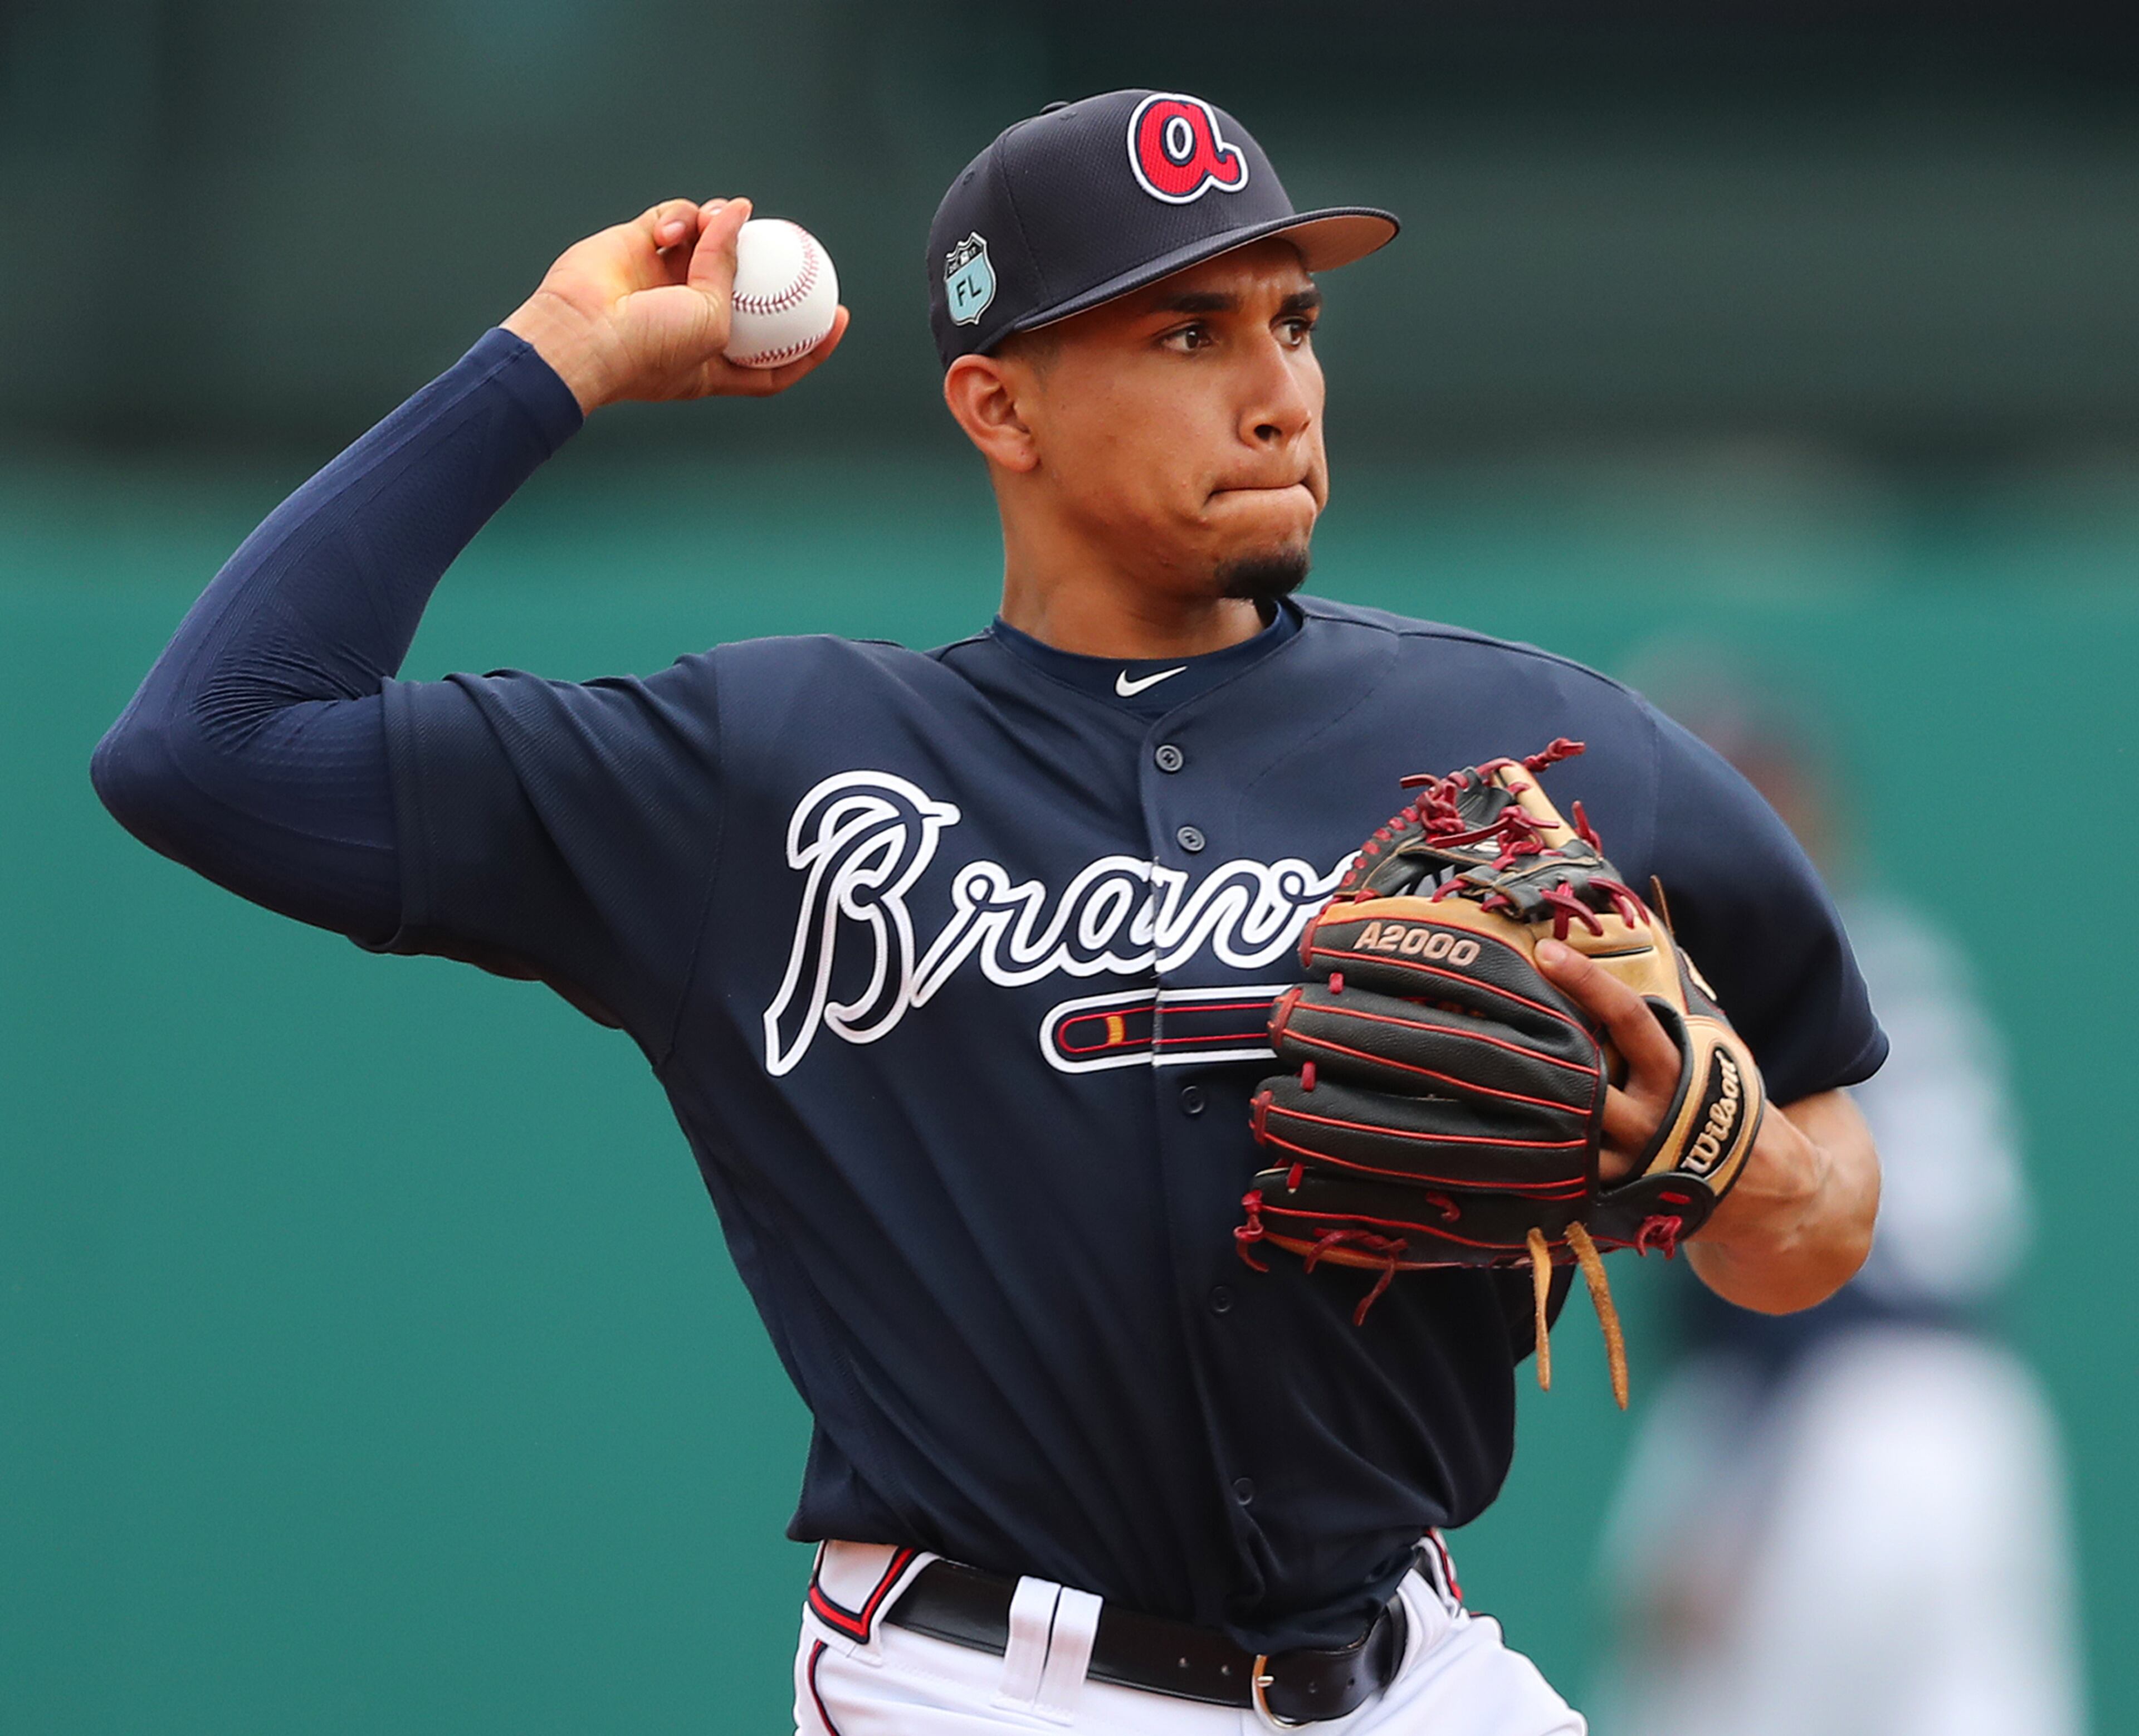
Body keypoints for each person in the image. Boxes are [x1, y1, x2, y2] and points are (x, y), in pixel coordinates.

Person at [91, 90, 1883, 1733]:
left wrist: (1754, 1169)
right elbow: (209, 743)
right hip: (984, 1690)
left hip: (1413, 1672)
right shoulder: (769, 769)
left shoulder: (1518, 743)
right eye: (1188, 333)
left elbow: (1817, 1209)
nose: (1277, 389)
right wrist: (553, 357)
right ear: (995, 402)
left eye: (1295, 323)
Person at [1589, 670, 2083, 1736]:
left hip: (1817, 1429)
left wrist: (1726, 1504)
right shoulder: (1901, 957)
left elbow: (1816, 1285)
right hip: (1979, 1426)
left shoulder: (1726, 1002)